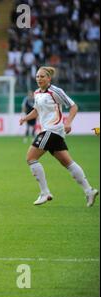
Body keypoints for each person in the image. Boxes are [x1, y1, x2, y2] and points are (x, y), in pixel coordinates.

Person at [19, 66, 98, 207]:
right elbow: (36, 110)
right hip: (51, 132)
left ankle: (45, 193)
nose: (39, 79)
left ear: (49, 78)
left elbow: (73, 106)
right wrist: (25, 118)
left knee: (31, 158)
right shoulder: (37, 93)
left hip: (52, 130)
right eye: (37, 76)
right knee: (68, 163)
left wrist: (68, 122)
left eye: (42, 76)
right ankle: (89, 190)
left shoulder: (55, 91)